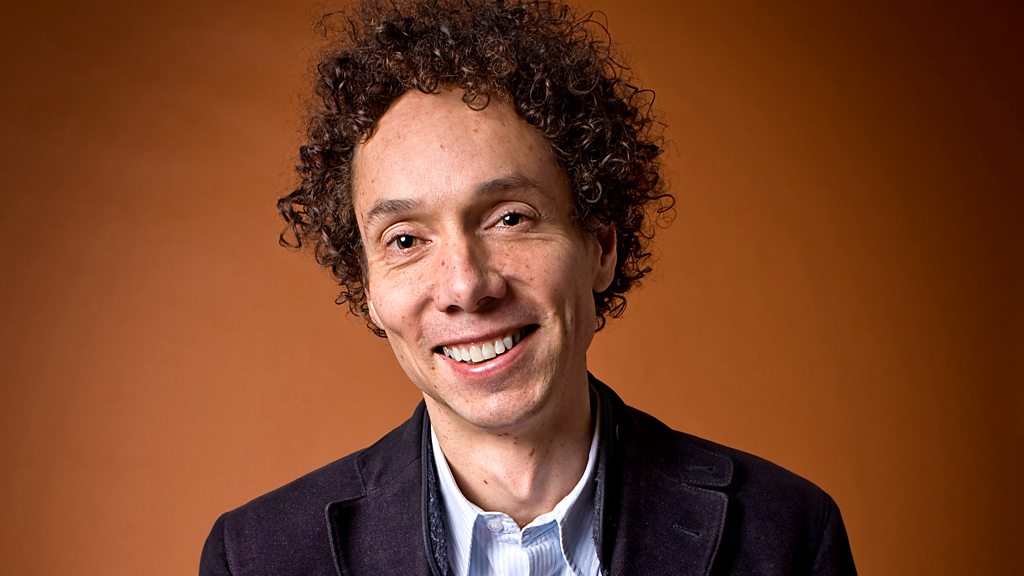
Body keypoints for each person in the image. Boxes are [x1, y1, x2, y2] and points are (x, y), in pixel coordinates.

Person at [200, 1, 856, 574]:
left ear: (600, 246)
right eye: (404, 240)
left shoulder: (786, 536)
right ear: (367, 288)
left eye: (510, 218)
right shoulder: (256, 558)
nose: (465, 286)